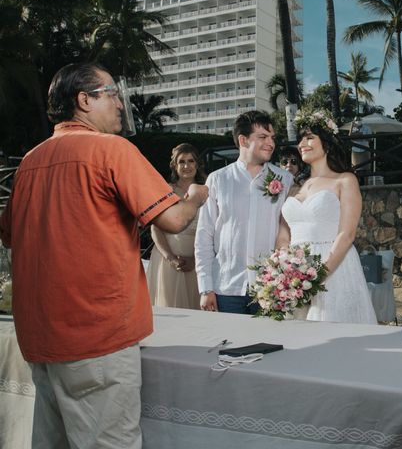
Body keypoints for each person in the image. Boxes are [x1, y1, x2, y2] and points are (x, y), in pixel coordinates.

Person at [0, 63, 208, 448]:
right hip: (96, 334)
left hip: (40, 337)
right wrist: (194, 197)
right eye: (112, 92)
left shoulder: (29, 162)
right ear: (84, 100)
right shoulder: (111, 150)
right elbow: (175, 219)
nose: (119, 104)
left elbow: (10, 234)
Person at [276, 110, 377, 324]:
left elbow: (347, 234)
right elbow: (284, 235)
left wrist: (316, 278)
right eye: (301, 138)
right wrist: (286, 270)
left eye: (310, 137)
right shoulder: (294, 188)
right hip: (295, 273)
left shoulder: (345, 180)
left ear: (327, 144)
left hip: (334, 268)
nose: (302, 143)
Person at [195, 110, 293, 313]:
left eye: (272, 138)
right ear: (243, 140)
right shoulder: (217, 179)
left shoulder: (285, 180)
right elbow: (204, 236)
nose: (271, 143)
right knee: (227, 344)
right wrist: (206, 288)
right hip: (226, 288)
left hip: (271, 288)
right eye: (263, 137)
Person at [146, 143, 206, 309]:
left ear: (197, 164)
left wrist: (196, 259)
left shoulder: (207, 190)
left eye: (191, 161)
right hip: (168, 260)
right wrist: (170, 258)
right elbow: (155, 228)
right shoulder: (164, 191)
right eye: (182, 162)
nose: (187, 166)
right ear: (174, 165)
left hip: (198, 260)